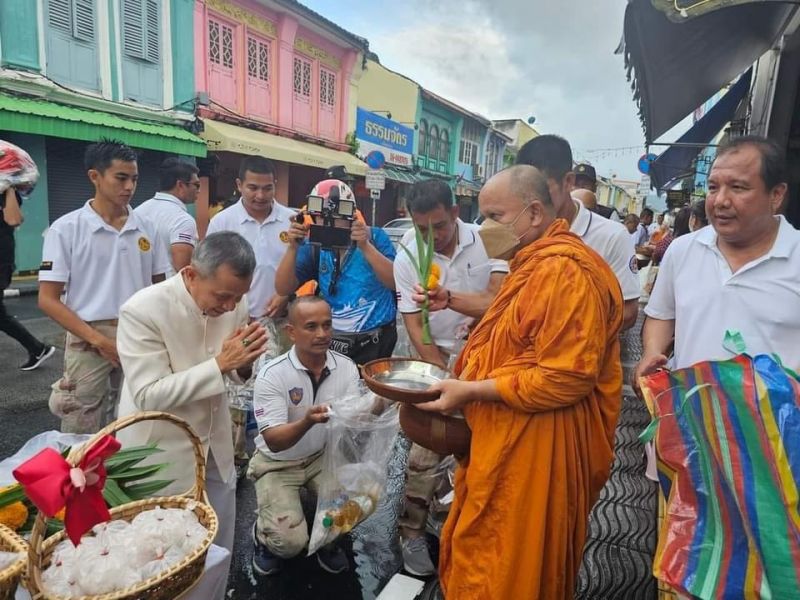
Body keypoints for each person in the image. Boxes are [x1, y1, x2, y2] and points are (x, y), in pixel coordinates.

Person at [415, 165, 623, 598]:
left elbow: (565, 377)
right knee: (486, 551)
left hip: (538, 446)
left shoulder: (563, 271)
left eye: (493, 216)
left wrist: (470, 390)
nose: (484, 227)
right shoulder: (532, 263)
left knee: (511, 566)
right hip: (505, 437)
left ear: (532, 213)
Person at [115, 232, 267, 559]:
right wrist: (222, 364)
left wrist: (244, 364)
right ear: (191, 274)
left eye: (238, 297)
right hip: (159, 452)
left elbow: (236, 373)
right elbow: (148, 395)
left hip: (216, 444)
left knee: (218, 542)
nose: (229, 307)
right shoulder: (142, 310)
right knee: (162, 555)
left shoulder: (234, 303)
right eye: (223, 296)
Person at [393, 178, 508, 576]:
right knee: (425, 453)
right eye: (421, 228)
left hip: (484, 361)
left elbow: (497, 301)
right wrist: (443, 376)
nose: (431, 238)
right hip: (434, 359)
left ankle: (461, 528)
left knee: (478, 452)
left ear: (456, 213)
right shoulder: (408, 253)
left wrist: (469, 376)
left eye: (438, 227)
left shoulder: (487, 240)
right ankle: (411, 533)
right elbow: (413, 321)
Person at [635, 135, 800, 381]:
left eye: (738, 187)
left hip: (776, 419)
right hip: (687, 413)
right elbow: (662, 315)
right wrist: (652, 352)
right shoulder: (682, 250)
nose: (720, 200)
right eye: (713, 187)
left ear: (776, 194)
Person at [38, 140, 168, 433]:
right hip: (87, 336)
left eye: (134, 179)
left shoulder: (148, 228)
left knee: (137, 417)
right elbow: (48, 299)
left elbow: (160, 288)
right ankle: (80, 477)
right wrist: (99, 341)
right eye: (121, 178)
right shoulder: (66, 229)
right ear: (95, 176)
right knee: (80, 420)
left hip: (140, 333)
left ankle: (125, 478)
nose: (129, 186)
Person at [248, 296, 361, 576]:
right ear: (291, 332)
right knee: (288, 543)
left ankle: (327, 543)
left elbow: (355, 416)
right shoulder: (272, 375)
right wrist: (307, 421)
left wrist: (379, 405)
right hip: (277, 462)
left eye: (327, 325)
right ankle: (264, 534)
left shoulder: (346, 367)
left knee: (355, 506)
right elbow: (274, 440)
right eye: (311, 326)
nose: (322, 334)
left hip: (320, 457)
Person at [515, 135, 640, 329]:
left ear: (568, 181)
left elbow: (629, 312)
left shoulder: (611, 237)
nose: (533, 201)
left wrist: (562, 328)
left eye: (542, 190)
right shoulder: (521, 232)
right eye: (524, 192)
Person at [275, 179, 398, 364]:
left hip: (376, 343)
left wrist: (365, 246)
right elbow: (283, 288)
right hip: (334, 342)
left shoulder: (376, 237)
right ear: (313, 217)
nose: (329, 223)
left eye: (338, 215)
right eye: (322, 217)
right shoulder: (314, 246)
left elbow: (395, 281)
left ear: (352, 214)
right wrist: (292, 247)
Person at [206, 156, 295, 324]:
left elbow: (303, 267)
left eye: (267, 188)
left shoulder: (291, 221)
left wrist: (285, 295)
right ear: (239, 185)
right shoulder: (222, 222)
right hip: (232, 320)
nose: (260, 196)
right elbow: (210, 273)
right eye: (253, 188)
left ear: (275, 185)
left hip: (281, 320)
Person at [1, 186, 54, 370]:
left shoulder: (7, 191)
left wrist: (8, 187)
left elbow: (14, 219)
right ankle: (37, 349)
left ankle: (38, 348)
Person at [134, 158, 200, 276]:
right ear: (180, 185)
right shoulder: (183, 220)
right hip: (169, 291)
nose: (198, 191)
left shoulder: (138, 211)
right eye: (196, 185)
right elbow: (183, 270)